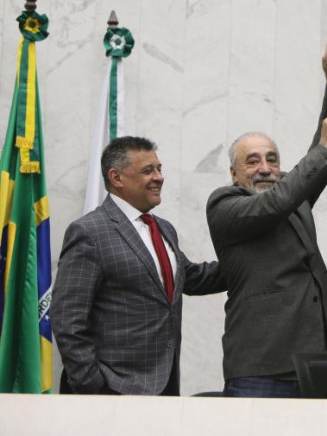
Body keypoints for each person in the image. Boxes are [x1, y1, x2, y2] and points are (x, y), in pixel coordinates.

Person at [206, 44, 327, 398]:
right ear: (234, 173)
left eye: (272, 158)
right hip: (262, 368)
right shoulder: (224, 204)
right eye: (253, 161)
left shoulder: (290, 194)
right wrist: (322, 148)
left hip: (320, 359)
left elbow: (325, 158)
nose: (266, 168)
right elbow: (278, 201)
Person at [53, 136, 225, 395]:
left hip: (164, 387)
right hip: (110, 392)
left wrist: (254, 260)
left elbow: (192, 277)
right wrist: (94, 386)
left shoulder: (164, 229)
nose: (159, 177)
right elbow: (68, 320)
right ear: (117, 177)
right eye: (148, 170)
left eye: (159, 168)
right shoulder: (89, 232)